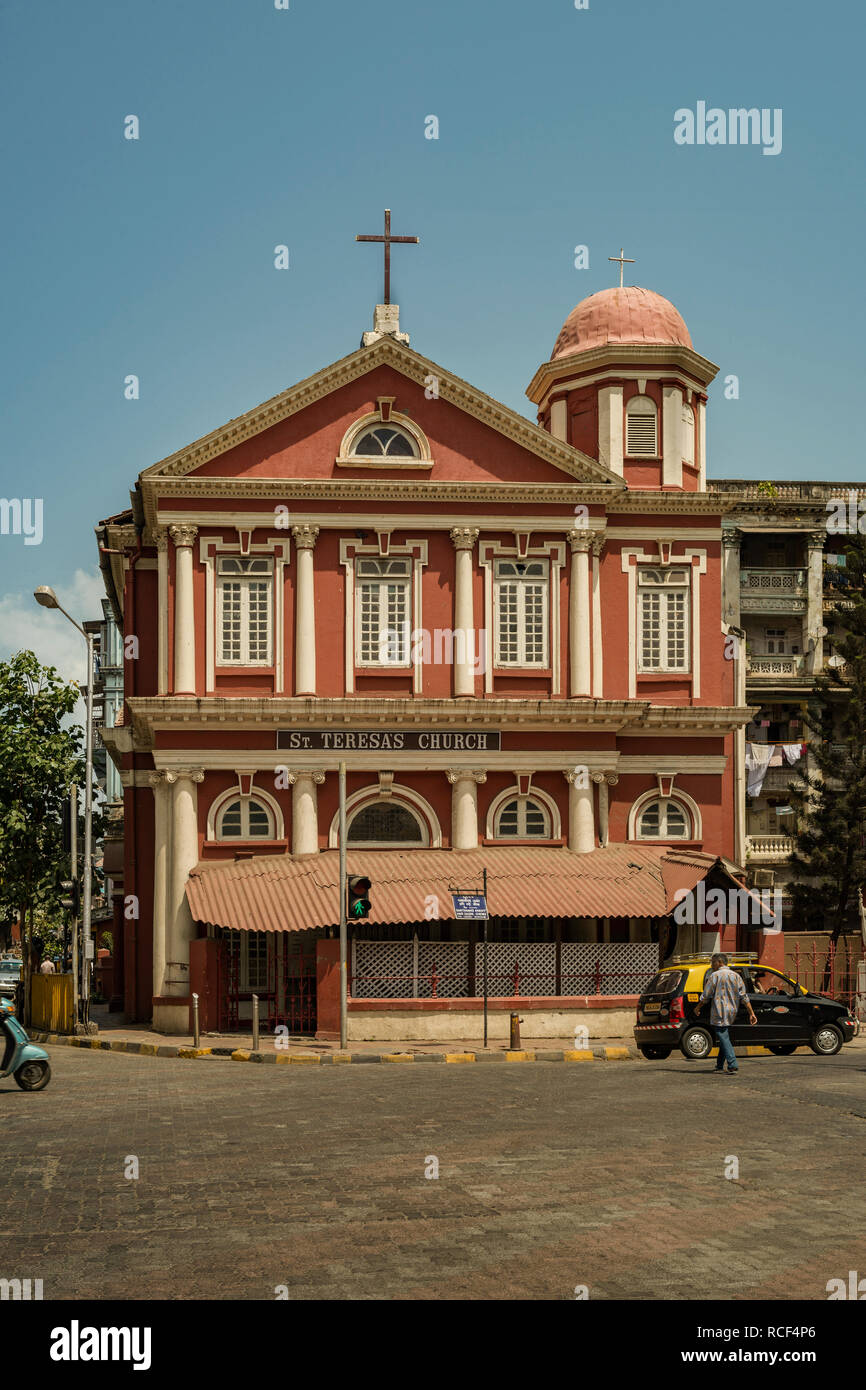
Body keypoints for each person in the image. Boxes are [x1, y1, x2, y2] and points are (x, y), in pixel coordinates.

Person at [695, 952, 757, 1074]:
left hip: (719, 1010)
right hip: (732, 1011)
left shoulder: (715, 976)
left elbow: (706, 995)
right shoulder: (736, 976)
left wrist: (698, 1007)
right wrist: (752, 1013)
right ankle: (719, 1065)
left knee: (723, 1035)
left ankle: (732, 1064)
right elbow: (744, 997)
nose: (712, 965)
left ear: (719, 962)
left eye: (713, 962)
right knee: (724, 1036)